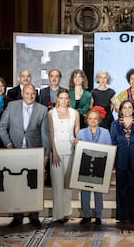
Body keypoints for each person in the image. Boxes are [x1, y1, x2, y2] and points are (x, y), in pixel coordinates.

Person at [0, 84, 50, 229]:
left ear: (36, 94)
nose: (30, 96)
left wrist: (45, 156)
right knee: (16, 186)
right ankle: (17, 217)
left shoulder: (42, 109)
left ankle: (34, 216)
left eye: (33, 93)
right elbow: (1, 127)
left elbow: (45, 135)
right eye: (27, 93)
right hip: (15, 152)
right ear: (22, 93)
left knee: (33, 186)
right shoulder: (12, 106)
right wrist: (8, 144)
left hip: (34, 153)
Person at [110, 100, 134, 227]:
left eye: (129, 107)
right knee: (121, 189)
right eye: (124, 108)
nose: (127, 110)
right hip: (120, 159)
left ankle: (132, 216)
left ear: (133, 110)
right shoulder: (115, 124)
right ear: (120, 110)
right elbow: (113, 142)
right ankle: (122, 215)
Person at [48, 89, 80, 224]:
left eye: (66, 98)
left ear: (69, 99)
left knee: (68, 185)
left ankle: (67, 212)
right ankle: (57, 214)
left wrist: (78, 144)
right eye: (61, 98)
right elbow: (51, 134)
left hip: (71, 151)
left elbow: (77, 131)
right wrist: (54, 153)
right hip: (57, 152)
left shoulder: (75, 113)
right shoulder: (51, 113)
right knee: (57, 184)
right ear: (57, 99)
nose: (64, 101)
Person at [77, 107, 112, 226]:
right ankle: (86, 215)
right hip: (85, 166)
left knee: (98, 192)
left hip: (99, 166)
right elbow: (77, 151)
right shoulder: (81, 132)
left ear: (99, 120)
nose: (92, 121)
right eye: (90, 118)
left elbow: (109, 149)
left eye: (95, 118)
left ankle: (98, 215)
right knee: (85, 191)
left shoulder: (105, 132)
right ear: (87, 120)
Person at [39, 69, 67, 187]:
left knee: (59, 149)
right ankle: (49, 178)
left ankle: (60, 177)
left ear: (60, 78)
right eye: (52, 76)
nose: (54, 78)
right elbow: (40, 107)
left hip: (61, 124)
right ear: (49, 78)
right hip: (47, 123)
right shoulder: (43, 92)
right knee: (48, 149)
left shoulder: (64, 91)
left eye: (56, 76)